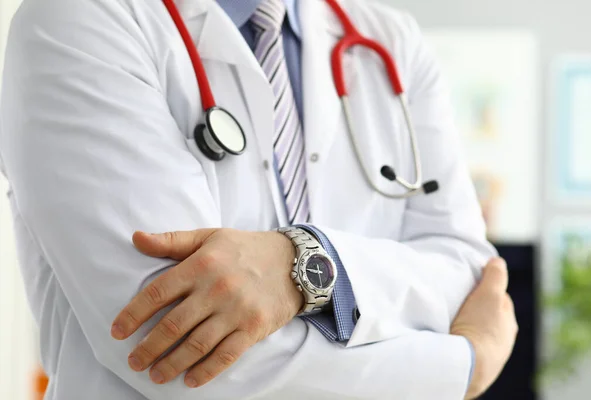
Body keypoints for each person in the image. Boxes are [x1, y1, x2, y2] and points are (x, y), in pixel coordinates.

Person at [0, 0, 517, 399]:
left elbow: (468, 275)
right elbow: (175, 352)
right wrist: (459, 369)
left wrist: (308, 263)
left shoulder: (391, 43)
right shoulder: (78, 20)